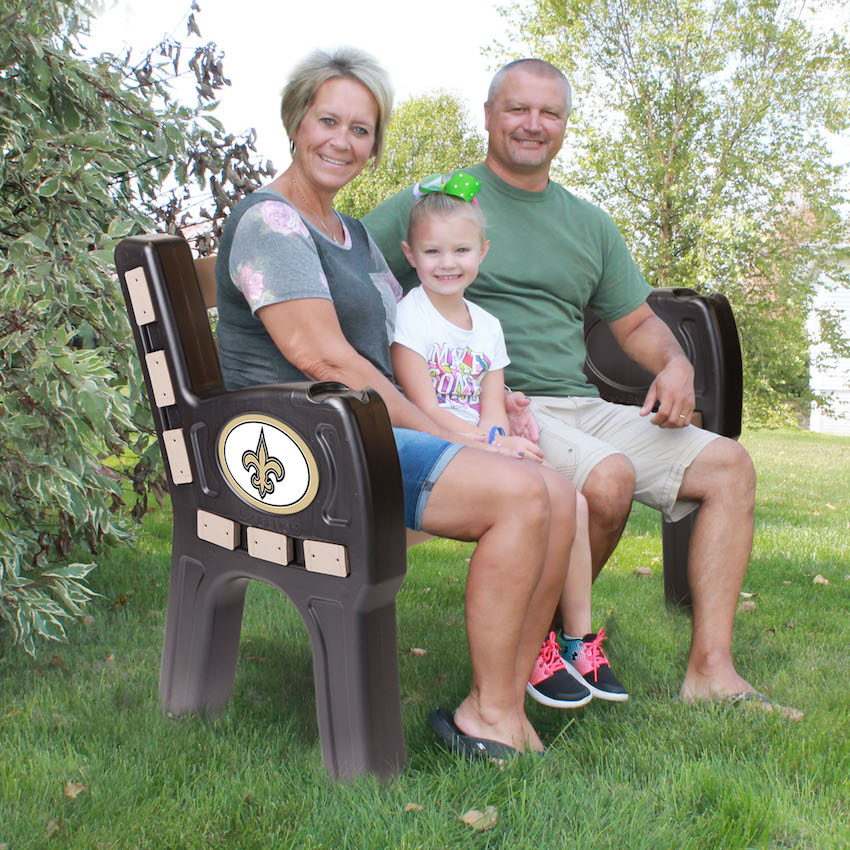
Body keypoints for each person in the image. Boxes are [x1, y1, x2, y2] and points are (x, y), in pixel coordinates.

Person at [364, 58, 802, 718]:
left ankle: (711, 671)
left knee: (728, 467)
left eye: (550, 113)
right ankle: (545, 649)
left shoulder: (587, 222)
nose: (532, 124)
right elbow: (346, 263)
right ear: (488, 116)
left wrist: (674, 366)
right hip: (499, 405)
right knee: (607, 479)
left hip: (582, 402)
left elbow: (635, 320)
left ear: (566, 126)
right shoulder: (442, 201)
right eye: (517, 109)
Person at [215, 46, 585, 760]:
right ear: (296, 122)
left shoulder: (350, 234)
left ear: (375, 144)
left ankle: (497, 704)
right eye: (329, 120)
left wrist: (491, 406)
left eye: (361, 129)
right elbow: (323, 357)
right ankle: (495, 713)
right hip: (305, 445)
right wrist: (461, 437)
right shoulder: (271, 222)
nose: (342, 141)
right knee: (520, 495)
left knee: (558, 492)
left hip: (358, 429)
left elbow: (403, 349)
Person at [391, 180, 627, 707]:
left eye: (460, 250)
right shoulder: (412, 314)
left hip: (481, 445)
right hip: (438, 444)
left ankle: (575, 640)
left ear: (482, 253)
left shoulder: (489, 326)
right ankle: (531, 649)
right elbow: (422, 405)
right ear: (411, 255)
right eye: (432, 251)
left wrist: (501, 438)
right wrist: (491, 447)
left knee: (574, 499)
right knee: (541, 497)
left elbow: (492, 405)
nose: (446, 263)